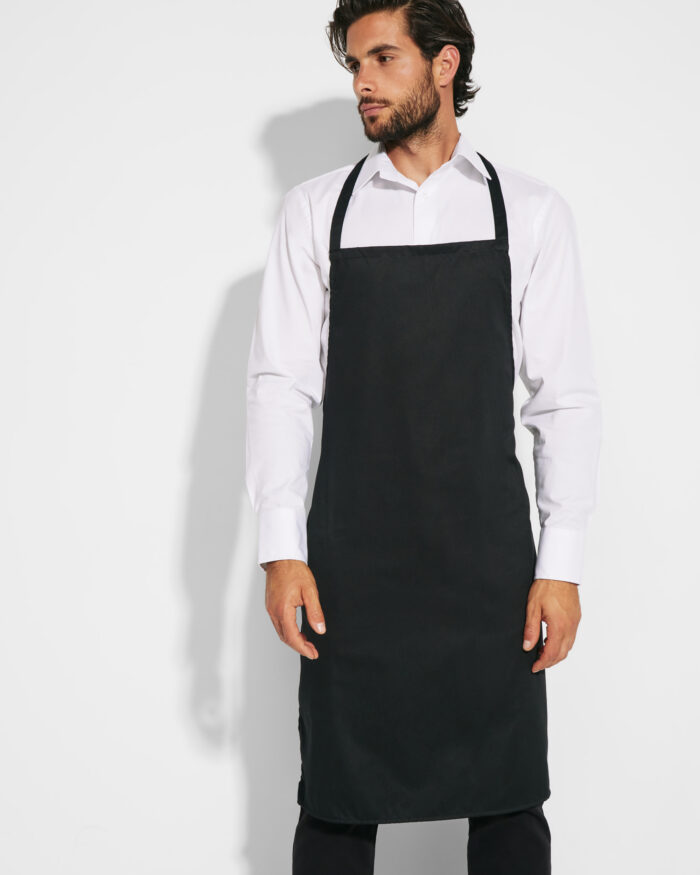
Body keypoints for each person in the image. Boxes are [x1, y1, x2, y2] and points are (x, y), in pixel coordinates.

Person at [245, 1, 602, 872]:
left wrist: (560, 564)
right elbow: (281, 388)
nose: (361, 84)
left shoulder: (531, 212)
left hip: (489, 569)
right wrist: (282, 550)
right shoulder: (313, 212)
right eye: (354, 65)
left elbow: (563, 400)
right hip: (351, 567)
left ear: (445, 65)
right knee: (336, 802)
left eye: (383, 58)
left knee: (510, 804)